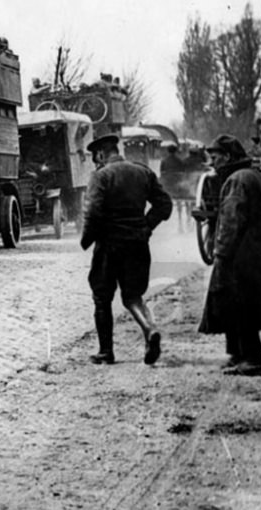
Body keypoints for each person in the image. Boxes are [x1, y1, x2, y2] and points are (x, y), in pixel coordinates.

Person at [199, 134, 261, 377]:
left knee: (241, 304)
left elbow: (231, 222)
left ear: (228, 157)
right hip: (255, 252)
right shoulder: (250, 176)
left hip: (242, 255)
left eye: (216, 157)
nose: (212, 163)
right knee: (237, 302)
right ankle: (238, 354)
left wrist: (221, 254)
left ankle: (253, 359)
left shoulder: (236, 181)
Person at [80, 133, 172, 364]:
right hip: (138, 245)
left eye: (95, 157)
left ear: (101, 153)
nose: (96, 161)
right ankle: (150, 329)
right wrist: (145, 226)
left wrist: (86, 239)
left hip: (109, 246)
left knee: (102, 298)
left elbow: (92, 213)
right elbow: (165, 205)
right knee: (133, 296)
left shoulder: (100, 176)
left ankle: (106, 352)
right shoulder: (143, 172)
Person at [159, 141, 187, 232]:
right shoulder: (180, 161)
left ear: (168, 151)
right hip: (177, 185)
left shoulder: (164, 161)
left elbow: (161, 173)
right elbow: (183, 173)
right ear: (175, 151)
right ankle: (180, 223)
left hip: (167, 185)